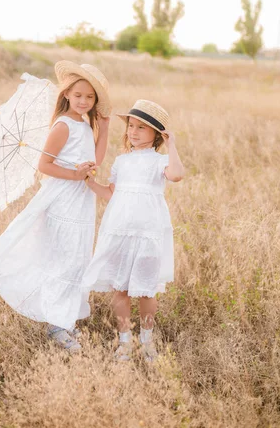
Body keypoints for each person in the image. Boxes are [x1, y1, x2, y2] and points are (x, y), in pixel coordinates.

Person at [0, 62, 111, 353]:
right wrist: (74, 173)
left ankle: (64, 317)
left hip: (81, 200)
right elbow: (44, 165)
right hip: (63, 198)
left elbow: (96, 161)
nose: (84, 101)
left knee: (78, 256)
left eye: (89, 97)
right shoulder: (63, 125)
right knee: (66, 256)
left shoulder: (85, 124)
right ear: (67, 96)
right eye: (78, 95)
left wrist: (105, 127)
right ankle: (57, 324)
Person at [82, 99, 184, 361]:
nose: (133, 131)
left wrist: (172, 145)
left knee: (146, 289)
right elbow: (111, 193)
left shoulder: (158, 161)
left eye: (141, 128)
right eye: (131, 126)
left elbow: (176, 175)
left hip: (148, 230)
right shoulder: (122, 162)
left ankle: (147, 340)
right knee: (121, 288)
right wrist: (89, 181)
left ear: (156, 135)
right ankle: (125, 340)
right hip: (120, 229)